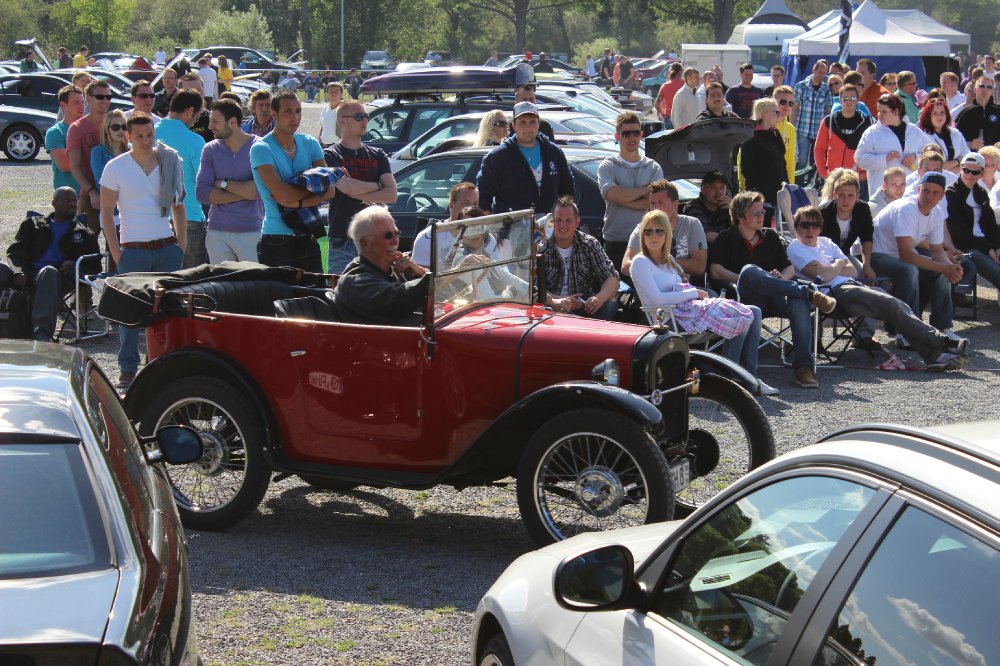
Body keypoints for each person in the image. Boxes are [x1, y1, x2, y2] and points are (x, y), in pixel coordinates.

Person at [788, 205, 968, 371]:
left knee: (897, 306)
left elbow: (852, 271)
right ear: (796, 227)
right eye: (804, 225)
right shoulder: (795, 247)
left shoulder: (826, 242)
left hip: (851, 285)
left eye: (814, 225)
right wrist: (838, 263)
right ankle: (942, 342)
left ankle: (934, 355)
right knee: (891, 304)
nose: (810, 230)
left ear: (820, 228)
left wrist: (833, 267)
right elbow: (824, 277)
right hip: (833, 295)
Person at [630, 210, 775, 395]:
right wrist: (693, 292)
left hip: (689, 311)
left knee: (752, 311)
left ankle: (748, 377)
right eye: (648, 231)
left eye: (659, 231)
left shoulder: (670, 261)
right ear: (642, 235)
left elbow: (683, 289)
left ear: (667, 233)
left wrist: (691, 292)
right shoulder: (640, 262)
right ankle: (730, 380)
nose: (653, 236)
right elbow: (658, 299)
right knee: (740, 315)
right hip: (669, 319)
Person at [708, 190, 836, 388]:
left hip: (776, 295)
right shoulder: (726, 238)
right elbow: (715, 272)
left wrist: (781, 278)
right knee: (749, 271)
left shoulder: (770, 236)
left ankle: (803, 368)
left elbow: (789, 267)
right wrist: (750, 278)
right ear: (741, 215)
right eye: (756, 213)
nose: (762, 216)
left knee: (797, 302)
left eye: (762, 212)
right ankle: (807, 291)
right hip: (744, 298)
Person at [99, 113, 187, 388]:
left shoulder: (169, 161)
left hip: (165, 246)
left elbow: (178, 206)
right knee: (129, 314)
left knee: (169, 312)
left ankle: (163, 364)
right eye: (139, 136)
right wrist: (115, 251)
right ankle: (128, 369)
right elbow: (105, 211)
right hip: (132, 249)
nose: (146, 140)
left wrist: (180, 245)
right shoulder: (116, 167)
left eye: (149, 135)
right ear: (128, 137)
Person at [249, 91, 335, 272]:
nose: (295, 117)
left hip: (308, 235)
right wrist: (311, 194)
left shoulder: (310, 143)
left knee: (315, 297)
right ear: (274, 114)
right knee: (281, 298)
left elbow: (330, 189)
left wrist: (296, 201)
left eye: (298, 111)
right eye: (288, 111)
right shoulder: (261, 148)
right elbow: (282, 194)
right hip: (276, 238)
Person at [871, 173, 964, 340]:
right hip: (875, 254)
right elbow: (906, 255)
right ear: (918, 189)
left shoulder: (937, 212)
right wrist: (945, 267)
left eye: (935, 193)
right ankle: (908, 331)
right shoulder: (906, 209)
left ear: (941, 195)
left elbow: (937, 251)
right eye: (926, 191)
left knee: (942, 272)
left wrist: (951, 268)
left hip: (896, 256)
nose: (929, 196)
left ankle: (942, 327)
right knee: (909, 270)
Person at [1, 187, 100, 341]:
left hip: (59, 277)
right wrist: (17, 272)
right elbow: (15, 252)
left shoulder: (84, 233)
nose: (72, 204)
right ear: (54, 203)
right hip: (27, 273)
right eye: (66, 200)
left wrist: (73, 265)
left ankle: (41, 332)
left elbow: (94, 266)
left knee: (48, 271)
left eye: (74, 200)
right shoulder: (33, 225)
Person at [324, 100, 398, 273]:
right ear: (342, 121)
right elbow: (348, 189)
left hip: (376, 240)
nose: (364, 121)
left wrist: (358, 189)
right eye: (359, 117)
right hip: (342, 240)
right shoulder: (330, 155)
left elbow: (392, 194)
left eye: (366, 116)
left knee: (375, 294)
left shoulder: (378, 154)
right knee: (340, 295)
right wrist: (377, 185)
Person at [333, 206, 429, 325]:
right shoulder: (356, 280)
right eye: (388, 236)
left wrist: (420, 271)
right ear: (366, 243)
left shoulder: (397, 270)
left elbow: (443, 297)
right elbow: (396, 301)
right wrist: (429, 279)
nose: (395, 241)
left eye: (397, 233)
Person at [477, 101, 575, 216]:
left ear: (538, 124)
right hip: (512, 228)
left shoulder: (553, 152)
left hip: (548, 226)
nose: (528, 127)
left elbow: (568, 189)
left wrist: (562, 216)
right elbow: (483, 198)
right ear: (513, 125)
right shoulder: (498, 157)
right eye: (522, 122)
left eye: (532, 122)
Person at [196, 99, 263, 263]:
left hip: (251, 232)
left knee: (253, 287)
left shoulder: (259, 147)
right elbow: (202, 194)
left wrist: (223, 184)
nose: (210, 126)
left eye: (215, 121)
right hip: (216, 233)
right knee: (222, 287)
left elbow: (257, 191)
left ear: (232, 122)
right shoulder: (210, 149)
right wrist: (245, 192)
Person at [598, 111, 663, 271]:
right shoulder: (608, 166)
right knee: (615, 293)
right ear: (617, 136)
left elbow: (656, 203)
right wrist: (646, 189)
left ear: (641, 134)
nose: (631, 138)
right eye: (626, 134)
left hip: (647, 243)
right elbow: (613, 195)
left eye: (635, 133)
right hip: (616, 242)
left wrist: (624, 199)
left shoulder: (653, 167)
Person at [541, 197, 619, 320]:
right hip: (551, 307)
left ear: (577, 222)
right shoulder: (541, 246)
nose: (563, 225)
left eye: (568, 220)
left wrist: (597, 299)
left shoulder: (589, 243)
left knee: (610, 303)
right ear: (551, 222)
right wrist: (557, 300)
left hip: (584, 307)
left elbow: (612, 278)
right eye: (558, 220)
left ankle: (594, 338)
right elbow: (531, 288)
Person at [156, 89, 207, 268]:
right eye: (198, 115)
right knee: (190, 284)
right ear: (189, 111)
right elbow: (205, 179)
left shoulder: (148, 134)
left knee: (158, 282)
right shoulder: (195, 140)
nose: (196, 121)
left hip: (155, 217)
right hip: (190, 215)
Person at [622, 179, 708, 284]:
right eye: (652, 203)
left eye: (661, 203)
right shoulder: (643, 228)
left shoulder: (691, 224)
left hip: (684, 288)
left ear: (675, 205)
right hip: (652, 289)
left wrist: (660, 261)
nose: (655, 209)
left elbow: (699, 267)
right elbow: (626, 266)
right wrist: (661, 265)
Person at [945, 152, 1000, 297]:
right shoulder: (951, 193)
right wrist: (987, 248)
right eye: (966, 170)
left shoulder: (981, 192)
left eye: (974, 172)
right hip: (963, 247)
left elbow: (991, 225)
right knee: (996, 272)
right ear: (961, 169)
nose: (969, 175)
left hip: (982, 244)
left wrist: (997, 246)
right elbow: (958, 233)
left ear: (981, 173)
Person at [854, 94, 928, 198]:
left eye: (884, 112)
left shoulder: (914, 131)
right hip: (882, 194)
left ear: (896, 112)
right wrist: (884, 158)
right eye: (878, 111)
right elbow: (859, 159)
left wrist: (915, 157)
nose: (879, 115)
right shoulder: (871, 133)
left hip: (910, 193)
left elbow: (928, 154)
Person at [68, 80, 113, 231]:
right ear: (88, 98)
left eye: (108, 97)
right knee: (87, 243)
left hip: (115, 193)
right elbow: (75, 167)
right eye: (100, 97)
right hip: (89, 195)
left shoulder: (116, 124)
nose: (105, 101)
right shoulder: (76, 128)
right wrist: (92, 192)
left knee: (118, 245)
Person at [412, 183, 483, 269]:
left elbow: (499, 275)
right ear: (452, 205)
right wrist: (458, 269)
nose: (471, 208)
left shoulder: (485, 237)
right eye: (466, 203)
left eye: (475, 204)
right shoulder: (429, 238)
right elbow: (422, 279)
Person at [813, 83, 874, 184]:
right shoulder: (829, 121)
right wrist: (824, 174)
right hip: (832, 178)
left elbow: (873, 152)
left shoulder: (867, 123)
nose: (849, 101)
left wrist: (864, 176)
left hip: (857, 180)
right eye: (845, 98)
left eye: (852, 98)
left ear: (858, 100)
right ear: (840, 99)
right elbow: (819, 149)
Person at [738, 98, 785, 227]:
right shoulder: (750, 137)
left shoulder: (775, 134)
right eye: (776, 112)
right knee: (761, 230)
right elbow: (747, 169)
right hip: (760, 198)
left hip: (778, 196)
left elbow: (782, 163)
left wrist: (786, 187)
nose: (779, 115)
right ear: (765, 114)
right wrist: (766, 192)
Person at [792, 59, 833, 169]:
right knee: (801, 160)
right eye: (820, 72)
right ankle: (797, 184)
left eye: (824, 73)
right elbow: (794, 108)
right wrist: (792, 126)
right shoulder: (800, 86)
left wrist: (828, 130)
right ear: (813, 70)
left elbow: (828, 111)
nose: (822, 75)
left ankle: (813, 184)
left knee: (816, 161)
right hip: (802, 130)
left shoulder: (826, 90)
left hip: (818, 131)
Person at [46, 85, 83, 193]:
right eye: (76, 102)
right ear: (64, 105)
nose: (81, 106)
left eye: (82, 102)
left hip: (89, 193)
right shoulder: (55, 132)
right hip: (68, 197)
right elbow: (64, 165)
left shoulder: (88, 128)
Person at [918, 99, 969, 173]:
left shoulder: (956, 133)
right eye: (935, 113)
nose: (939, 116)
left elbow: (967, 159)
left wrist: (947, 168)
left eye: (942, 112)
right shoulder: (925, 138)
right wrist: (958, 160)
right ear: (928, 117)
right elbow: (935, 167)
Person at [684, 170, 732, 242]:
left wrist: (735, 210)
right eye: (713, 187)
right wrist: (732, 239)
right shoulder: (693, 207)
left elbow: (745, 229)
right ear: (702, 190)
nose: (719, 192)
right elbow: (704, 235)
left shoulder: (730, 206)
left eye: (722, 187)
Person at [955, 75, 1000, 148]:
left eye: (989, 87)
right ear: (975, 90)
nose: (985, 89)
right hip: (973, 156)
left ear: (992, 91)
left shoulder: (998, 112)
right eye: (982, 86)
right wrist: (970, 144)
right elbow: (955, 140)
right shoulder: (965, 113)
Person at [773, 85, 798, 184]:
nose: (787, 106)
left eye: (791, 103)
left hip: (781, 180)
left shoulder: (790, 129)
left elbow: (790, 160)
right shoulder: (762, 123)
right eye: (783, 102)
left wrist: (791, 185)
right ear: (773, 101)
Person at [177, 73, 212, 143]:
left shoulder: (213, 119)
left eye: (198, 90)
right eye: (189, 91)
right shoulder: (174, 121)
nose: (195, 95)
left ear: (204, 91)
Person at [654, 62, 684, 128]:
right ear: (679, 71)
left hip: (668, 117)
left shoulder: (665, 85)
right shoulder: (685, 85)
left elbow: (656, 103)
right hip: (682, 118)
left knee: (670, 138)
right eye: (682, 71)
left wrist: (661, 114)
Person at [318, 83, 345, 147]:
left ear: (341, 94)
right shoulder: (325, 109)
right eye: (331, 91)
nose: (334, 93)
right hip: (324, 146)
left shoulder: (346, 109)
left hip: (339, 147)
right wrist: (319, 141)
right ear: (326, 94)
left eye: (336, 91)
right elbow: (322, 127)